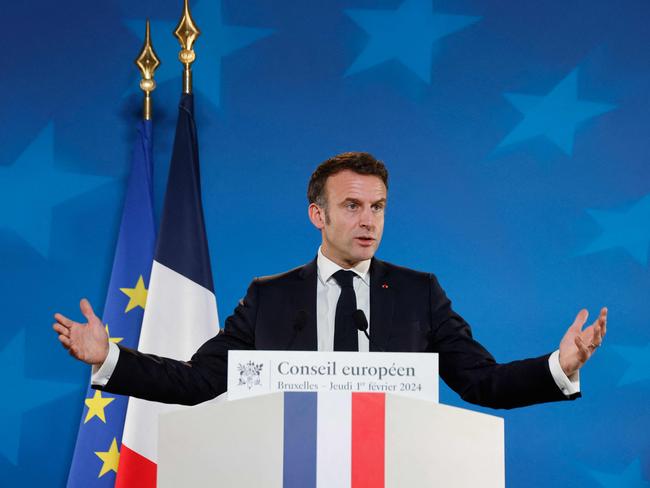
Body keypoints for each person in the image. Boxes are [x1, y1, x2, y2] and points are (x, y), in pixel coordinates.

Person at [53, 152, 607, 409]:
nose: (368, 221)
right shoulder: (268, 298)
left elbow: (482, 382)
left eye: (378, 207)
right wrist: (110, 359)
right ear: (317, 214)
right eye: (352, 206)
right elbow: (199, 382)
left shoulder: (420, 294)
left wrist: (561, 365)